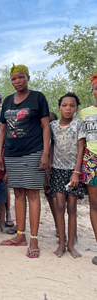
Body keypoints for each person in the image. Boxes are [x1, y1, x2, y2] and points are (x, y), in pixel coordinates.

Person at [0, 64, 50, 259]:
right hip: (11, 153)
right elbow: (2, 129)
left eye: (20, 77)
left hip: (33, 151)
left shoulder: (38, 97)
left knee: (32, 194)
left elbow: (45, 127)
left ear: (28, 77)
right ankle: (20, 235)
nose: (17, 81)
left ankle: (34, 238)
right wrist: (0, 153)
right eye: (13, 78)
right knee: (18, 192)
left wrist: (45, 153)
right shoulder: (8, 101)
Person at [50, 92, 86, 258]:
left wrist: (76, 173)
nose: (68, 108)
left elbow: (81, 149)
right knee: (59, 206)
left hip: (73, 171)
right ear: (59, 108)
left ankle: (71, 245)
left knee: (72, 207)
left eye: (72, 106)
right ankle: (61, 244)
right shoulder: (53, 125)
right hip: (57, 170)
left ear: (76, 108)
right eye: (65, 105)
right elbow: (50, 147)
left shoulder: (78, 124)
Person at [79, 74, 97, 266]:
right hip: (91, 161)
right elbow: (81, 141)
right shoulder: (84, 113)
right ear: (92, 91)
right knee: (95, 205)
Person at [44, 112, 58, 234]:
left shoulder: (53, 123)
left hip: (55, 163)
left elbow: (53, 143)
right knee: (49, 194)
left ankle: (60, 226)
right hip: (43, 162)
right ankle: (58, 225)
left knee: (56, 196)